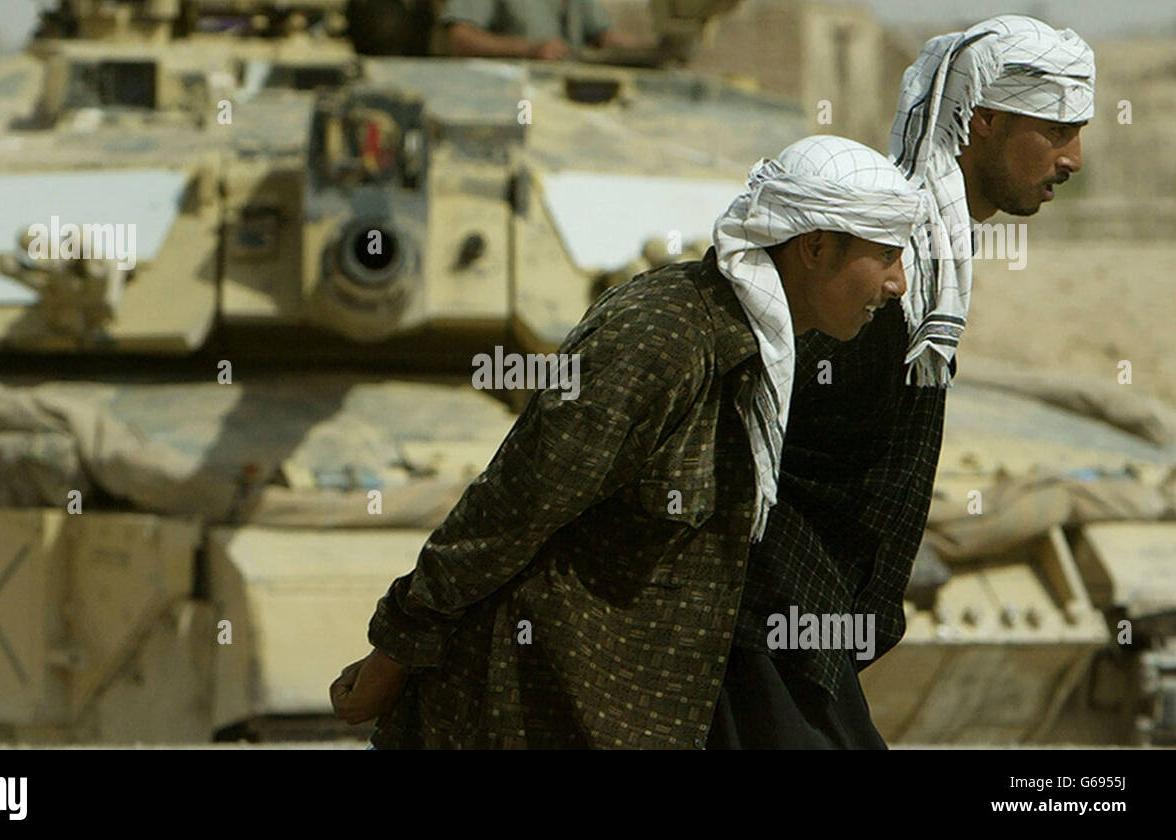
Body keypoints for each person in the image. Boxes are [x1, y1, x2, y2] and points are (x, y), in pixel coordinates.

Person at [330, 135, 928, 748]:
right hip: (523, 716)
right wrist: (394, 655)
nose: (897, 284)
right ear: (815, 246)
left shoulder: (757, 356)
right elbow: (510, 508)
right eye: (885, 256)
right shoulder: (663, 336)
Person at [707, 15, 1094, 749]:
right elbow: (759, 460)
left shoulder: (931, 257)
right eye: (1057, 130)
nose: (1074, 157)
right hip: (764, 643)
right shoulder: (875, 277)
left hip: (807, 642)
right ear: (981, 120)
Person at [440, 0, 650, 60]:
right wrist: (529, 50)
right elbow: (459, 39)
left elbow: (605, 36)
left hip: (565, 96)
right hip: (513, 97)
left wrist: (656, 48)